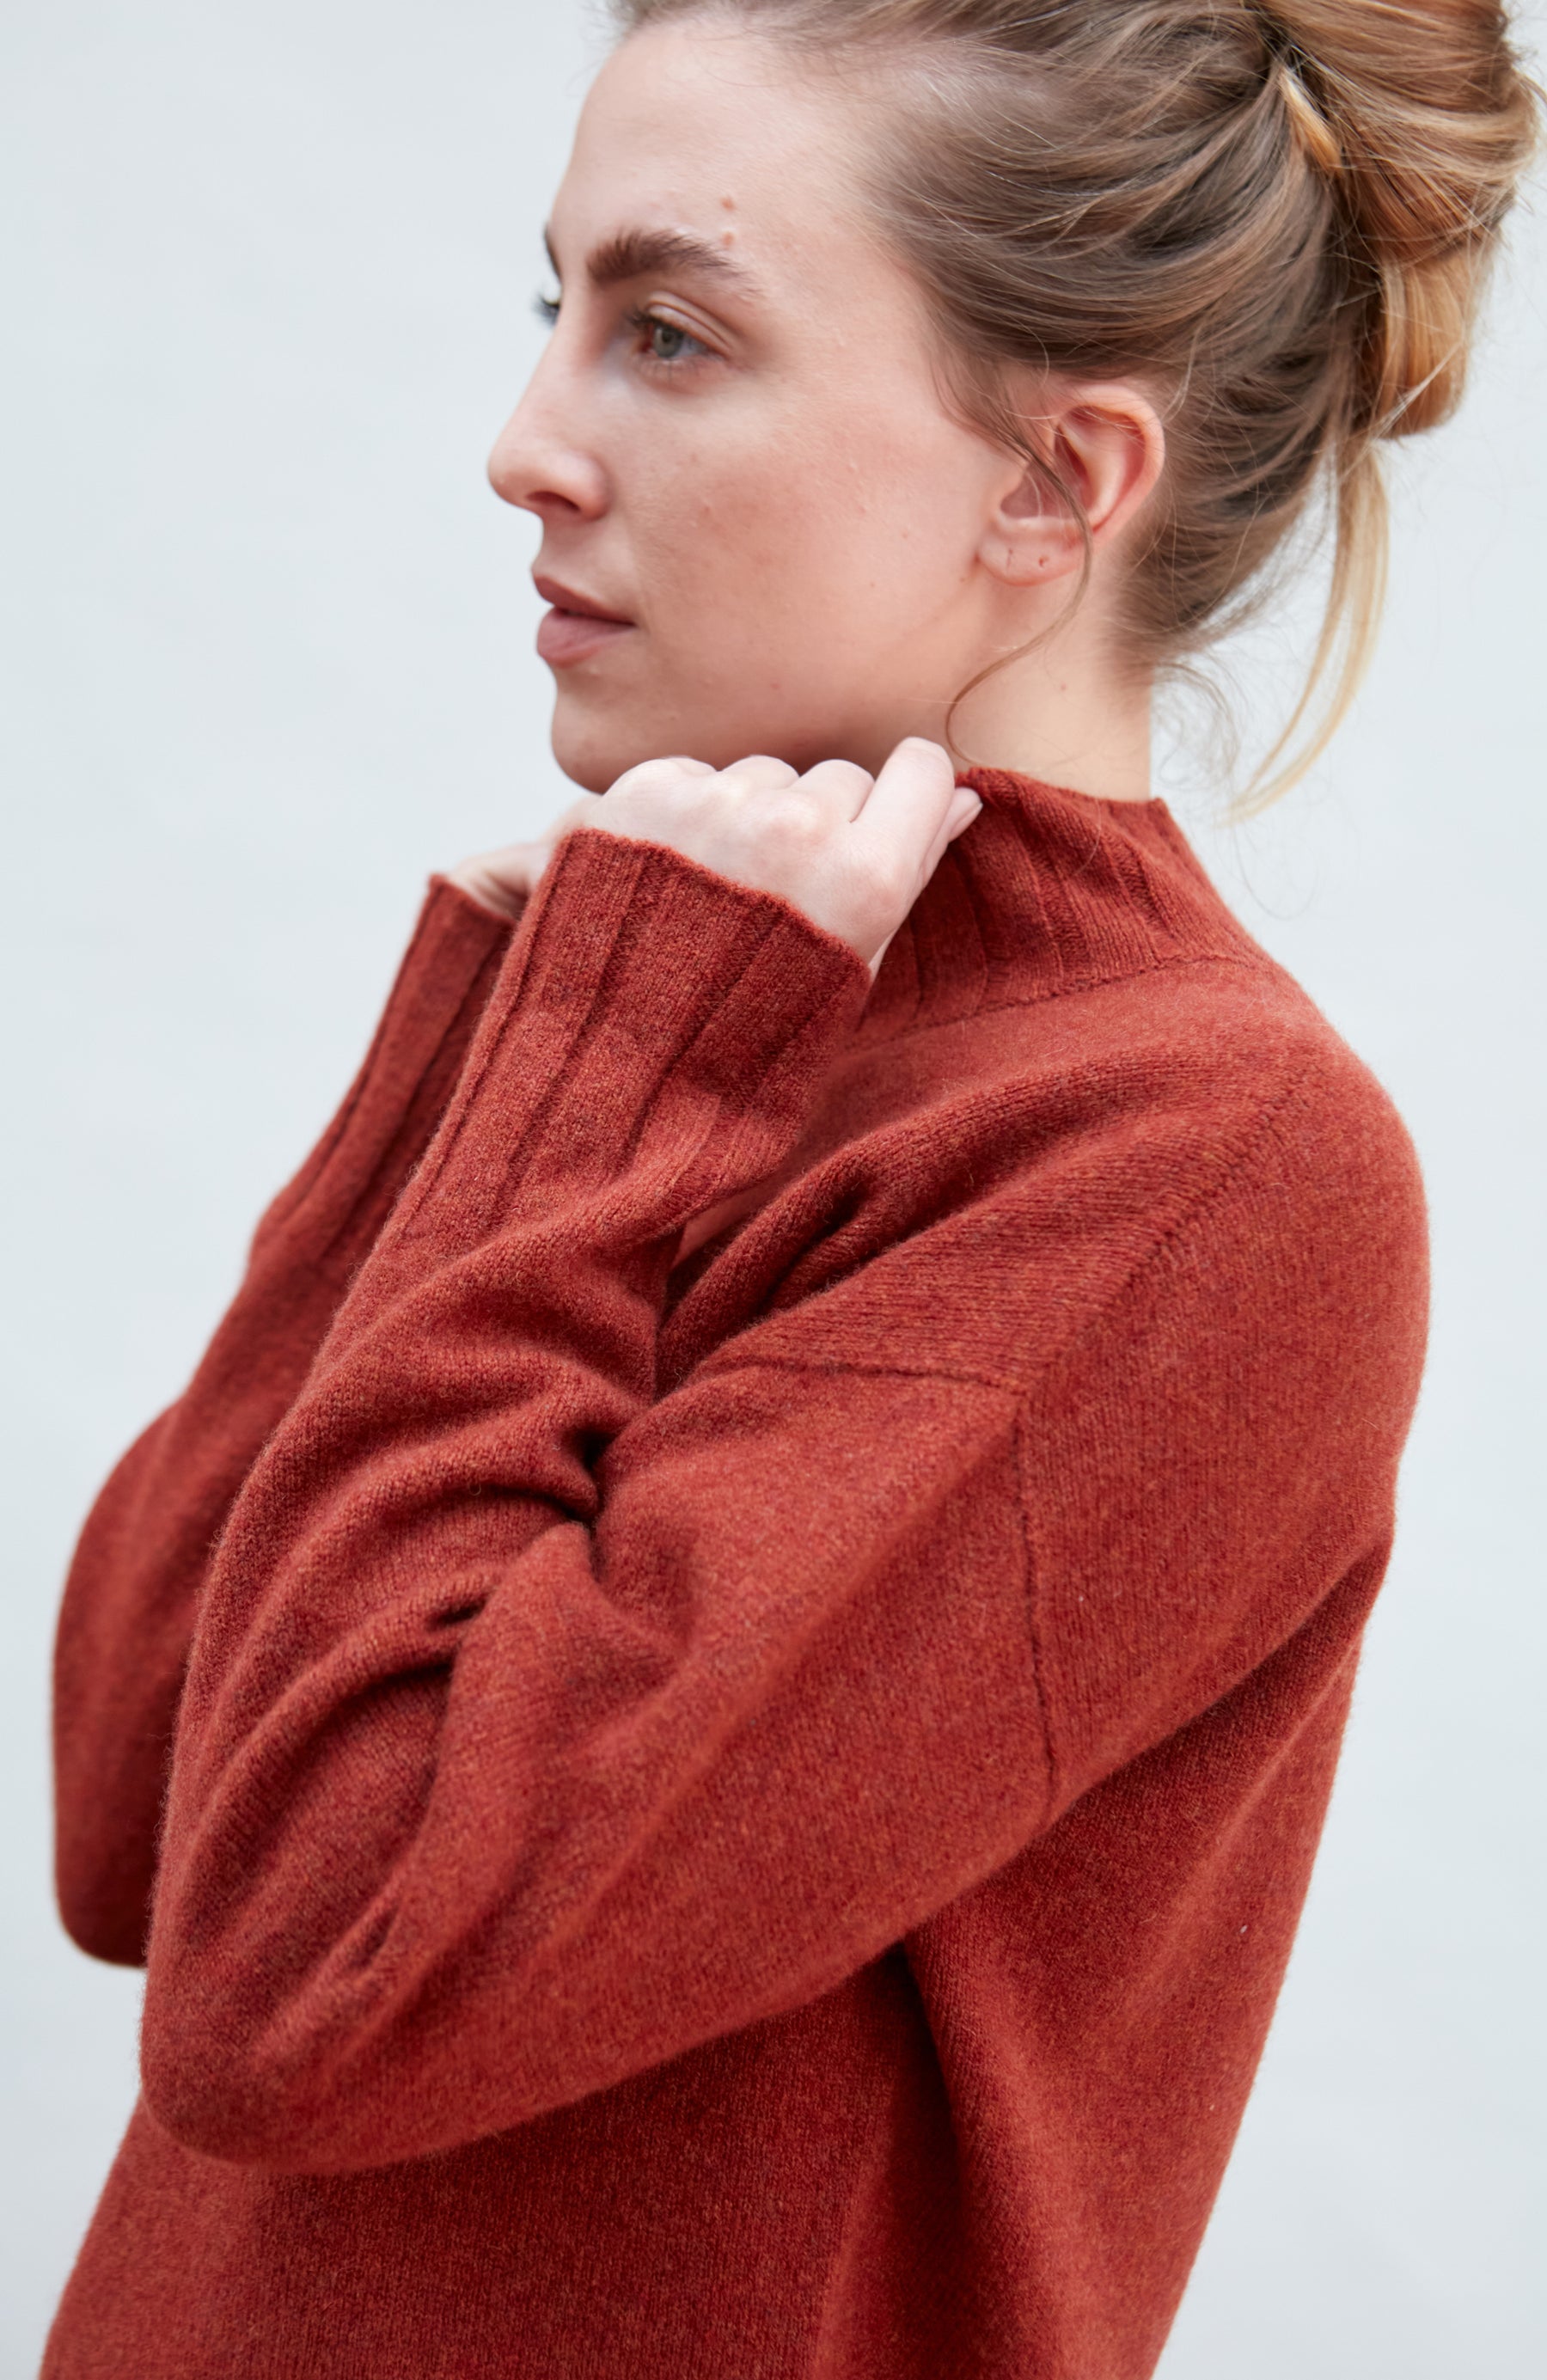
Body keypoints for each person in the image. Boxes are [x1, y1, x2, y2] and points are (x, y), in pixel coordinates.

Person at [43, 3, 1538, 2375]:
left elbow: (308, 1968)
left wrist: (586, 1075)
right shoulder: (684, 1015)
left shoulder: (1197, 1158)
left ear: (1055, 489)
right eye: (558, 311)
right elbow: (136, 1814)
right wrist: (496, 1049)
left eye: (671, 329)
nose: (526, 446)